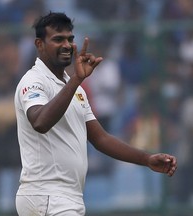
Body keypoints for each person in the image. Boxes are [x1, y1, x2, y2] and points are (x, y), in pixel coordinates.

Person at [14, 12, 177, 216]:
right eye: (58, 39)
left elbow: (100, 138)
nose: (66, 45)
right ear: (39, 44)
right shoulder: (33, 82)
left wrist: (147, 159)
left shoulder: (75, 89)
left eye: (70, 39)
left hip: (63, 197)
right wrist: (75, 80)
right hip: (47, 195)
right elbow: (40, 122)